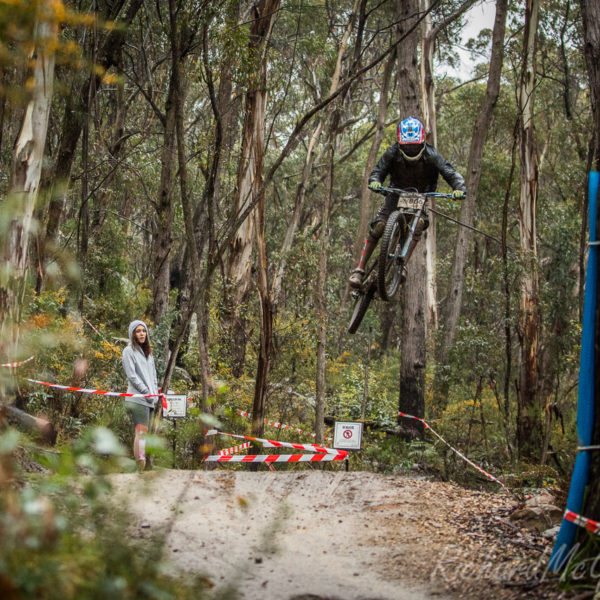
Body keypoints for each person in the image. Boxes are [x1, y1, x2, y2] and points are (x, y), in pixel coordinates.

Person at [348, 116, 466, 288]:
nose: (411, 149)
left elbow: (449, 172)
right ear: (400, 142)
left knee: (418, 225)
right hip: (395, 193)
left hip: (420, 195)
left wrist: (459, 188)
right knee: (379, 226)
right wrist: (375, 181)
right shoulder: (392, 152)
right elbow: (378, 171)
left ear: (422, 142)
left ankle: (402, 265)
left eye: (414, 146)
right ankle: (359, 269)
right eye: (407, 146)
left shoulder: (432, 155)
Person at [122, 319, 159, 470]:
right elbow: (132, 376)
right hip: (137, 399)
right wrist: (145, 392)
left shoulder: (149, 354)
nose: (141, 334)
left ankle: (142, 464)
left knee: (144, 432)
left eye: (143, 331)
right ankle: (140, 464)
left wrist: (154, 394)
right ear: (133, 334)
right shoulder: (129, 351)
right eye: (138, 331)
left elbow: (154, 377)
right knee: (141, 431)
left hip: (150, 400)